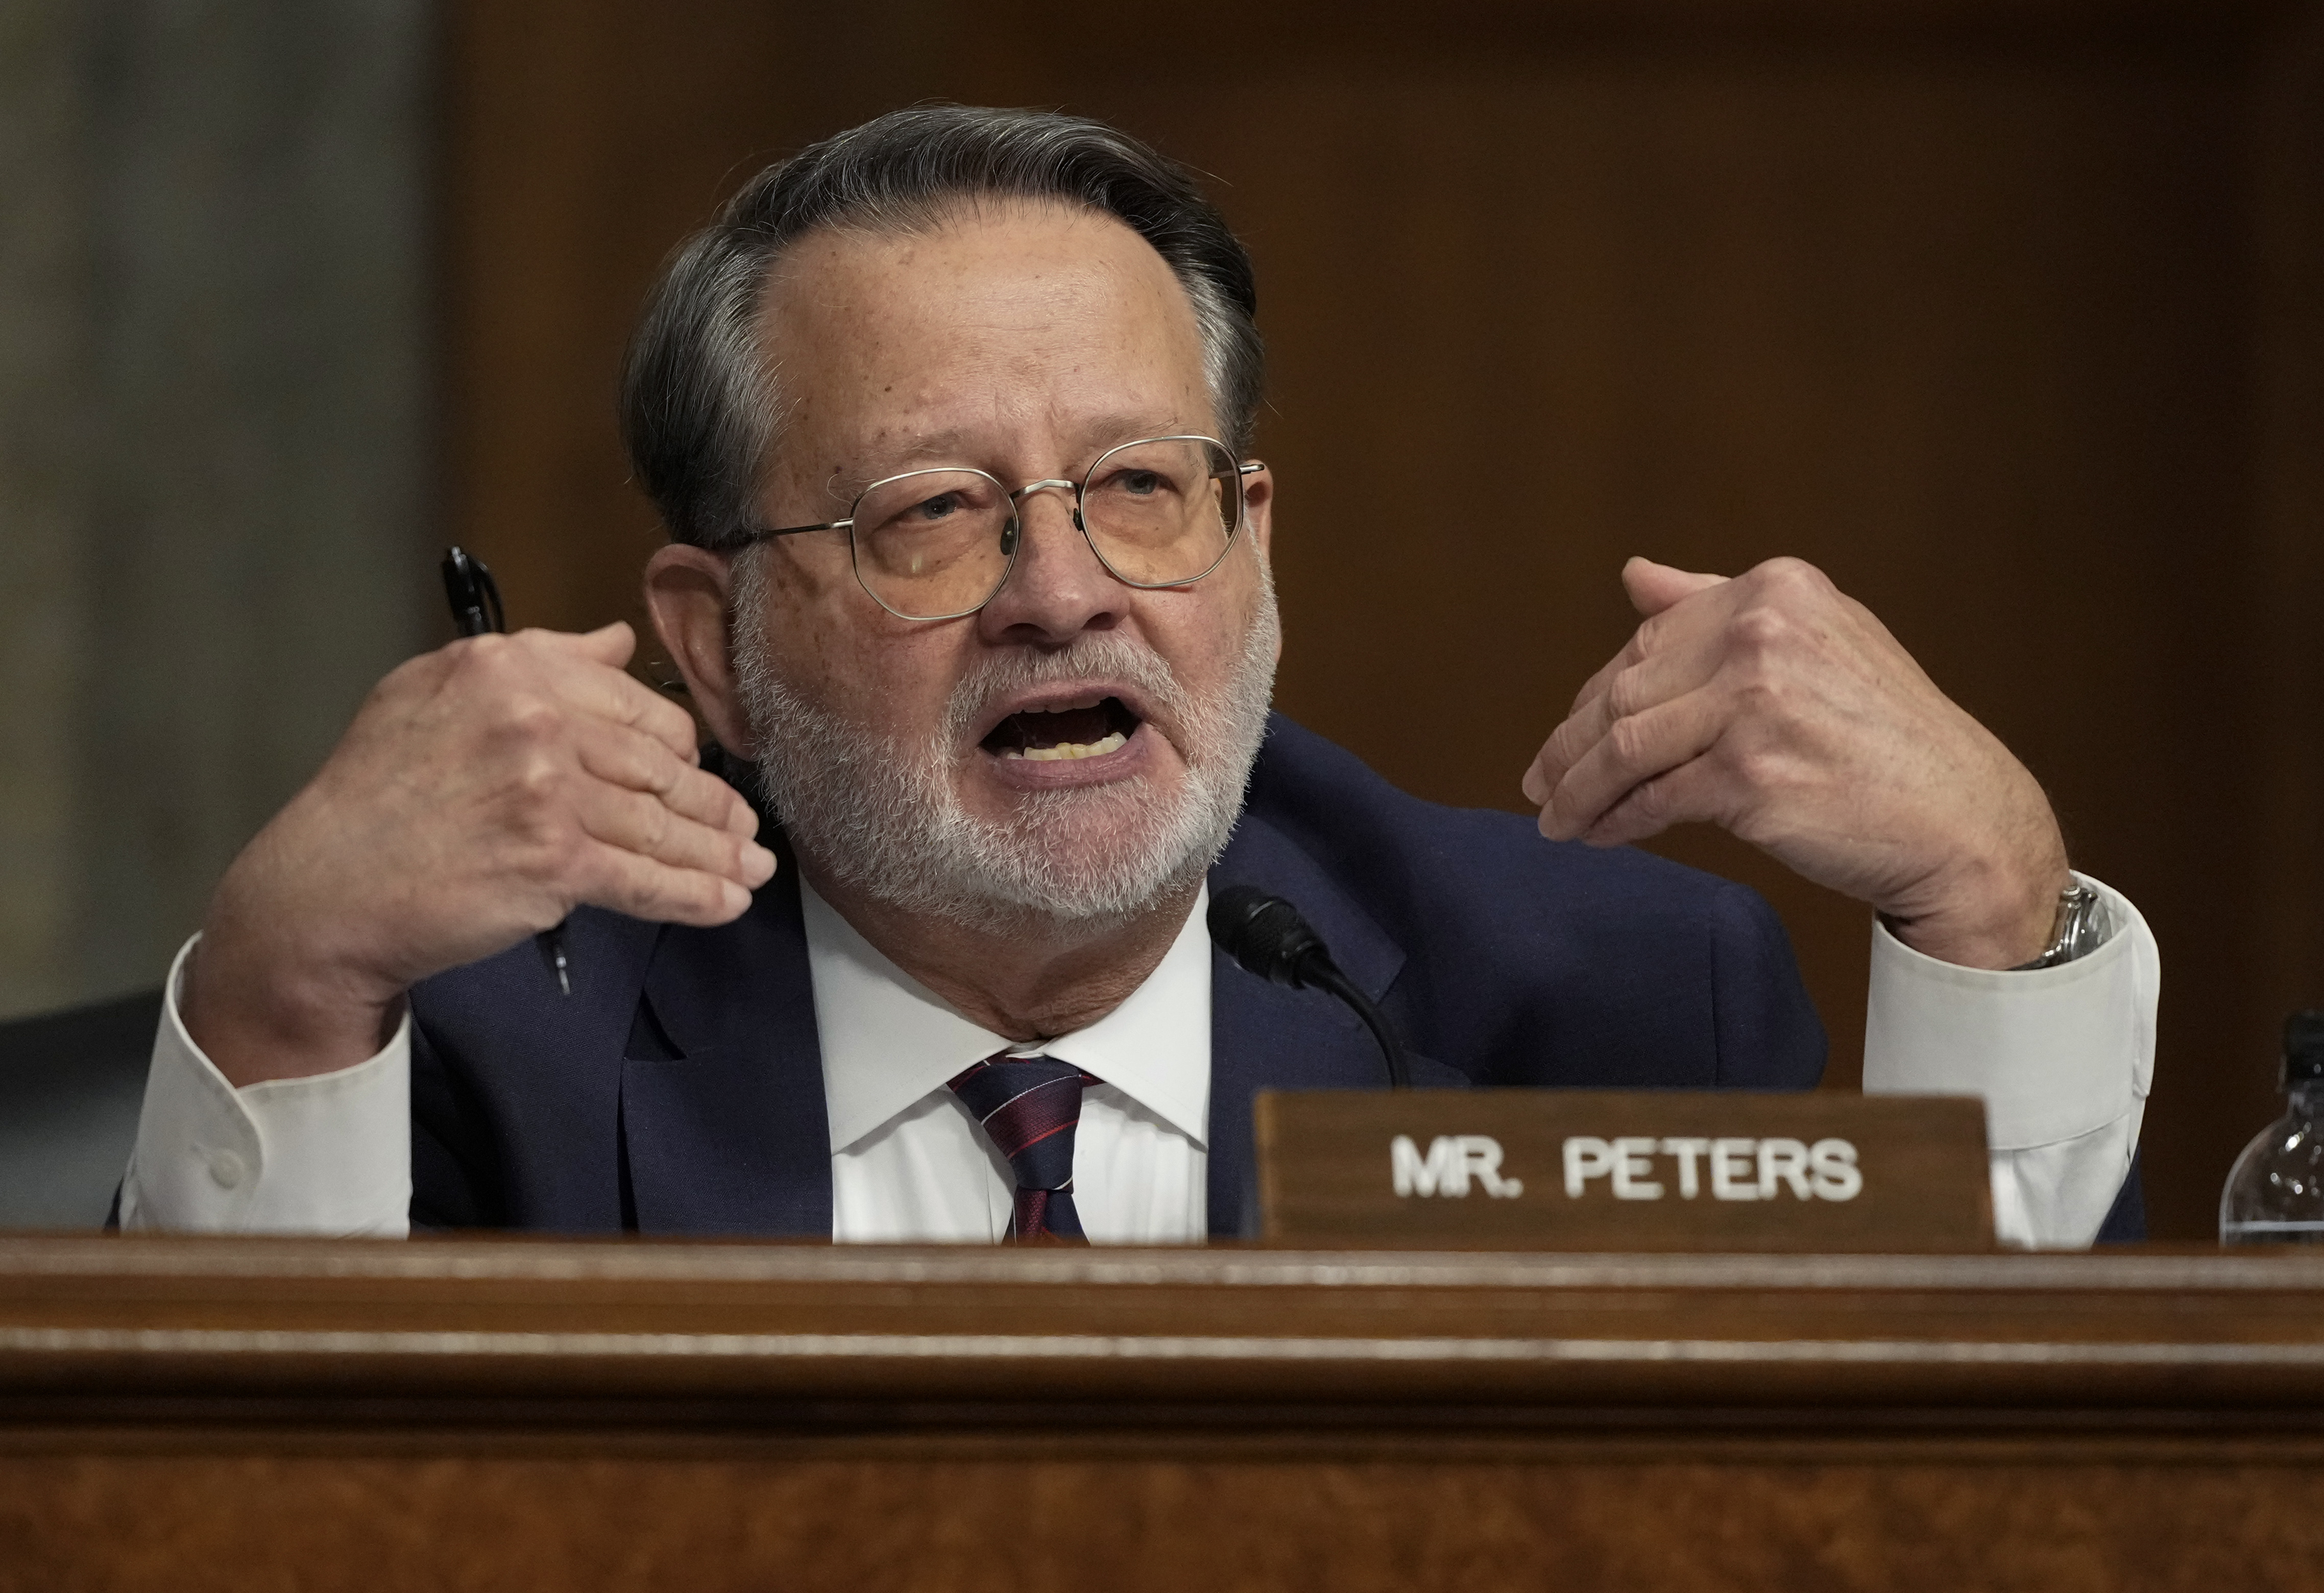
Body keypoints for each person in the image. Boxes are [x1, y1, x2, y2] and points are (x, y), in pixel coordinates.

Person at [122, 107, 2156, 1246]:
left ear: (1253, 544)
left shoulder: (1588, 1005)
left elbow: (1963, 1525)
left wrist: (1994, 910)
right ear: (708, 644)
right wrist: (282, 997)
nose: (1059, 592)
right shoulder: (490, 1048)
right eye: (929, 513)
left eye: (1136, 490)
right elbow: (197, 1550)